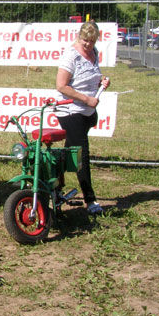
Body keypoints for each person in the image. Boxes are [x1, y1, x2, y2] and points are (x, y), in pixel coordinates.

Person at [55, 21, 110, 215]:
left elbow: (88, 77)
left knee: (67, 154)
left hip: (86, 112)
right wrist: (86, 98)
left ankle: (53, 188)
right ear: (80, 37)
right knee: (81, 155)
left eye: (92, 41)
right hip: (70, 111)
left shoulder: (94, 52)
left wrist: (101, 83)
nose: (88, 44)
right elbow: (61, 86)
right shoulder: (71, 55)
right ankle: (91, 200)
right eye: (85, 40)